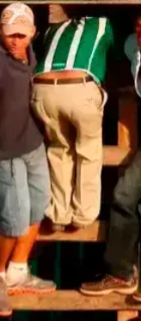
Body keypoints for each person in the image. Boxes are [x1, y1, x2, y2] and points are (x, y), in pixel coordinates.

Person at [0, 3, 55, 318]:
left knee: (39, 205)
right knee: (14, 218)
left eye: (21, 35)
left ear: (33, 33)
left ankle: (18, 270)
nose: (15, 41)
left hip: (32, 143)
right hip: (5, 152)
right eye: (10, 35)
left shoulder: (31, 53)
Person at [34, 9, 114, 233]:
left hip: (42, 89)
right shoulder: (103, 23)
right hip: (80, 86)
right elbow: (113, 59)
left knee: (59, 149)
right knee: (88, 152)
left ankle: (58, 213)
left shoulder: (52, 30)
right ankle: (83, 214)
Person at [81, 15, 141, 298]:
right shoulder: (132, 46)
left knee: (127, 195)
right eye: (139, 26)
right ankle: (121, 272)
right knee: (126, 196)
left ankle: (122, 272)